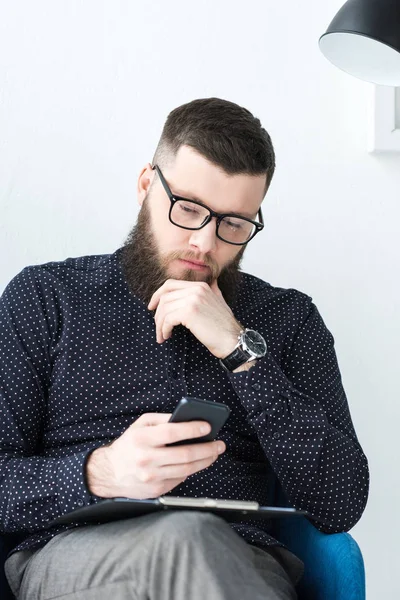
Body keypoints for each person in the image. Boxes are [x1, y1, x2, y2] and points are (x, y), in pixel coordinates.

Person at [0, 97, 369, 600]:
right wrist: (103, 471)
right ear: (147, 185)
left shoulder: (288, 320)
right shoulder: (47, 298)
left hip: (239, 563)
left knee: (197, 542)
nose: (204, 242)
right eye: (189, 209)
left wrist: (240, 351)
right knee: (184, 541)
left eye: (233, 224)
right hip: (74, 557)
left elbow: (341, 501)